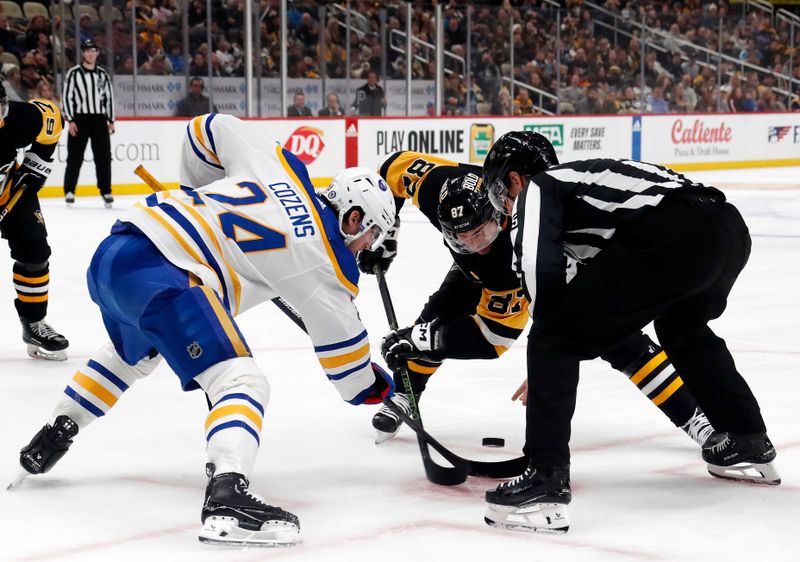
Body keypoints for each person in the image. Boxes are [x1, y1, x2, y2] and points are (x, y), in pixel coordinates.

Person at [15, 113, 397, 547]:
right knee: (241, 380)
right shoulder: (328, 263)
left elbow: (206, 129)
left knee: (132, 355)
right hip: (166, 274)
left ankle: (55, 431)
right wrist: (384, 389)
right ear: (352, 218)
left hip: (115, 254)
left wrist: (199, 197)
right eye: (371, 234)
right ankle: (228, 495)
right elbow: (349, 376)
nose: (368, 247)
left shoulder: (282, 166)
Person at [481, 131, 780, 534]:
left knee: (554, 333)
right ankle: (747, 439)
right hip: (726, 230)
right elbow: (602, 303)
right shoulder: (583, 191)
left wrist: (548, 353)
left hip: (676, 234)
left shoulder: (539, 187)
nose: (504, 207)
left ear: (515, 179)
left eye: (501, 192)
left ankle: (546, 480)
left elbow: (540, 276)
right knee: (683, 328)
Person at [362, 149, 715, 452]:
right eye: (459, 237)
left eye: (481, 232)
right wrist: (385, 237)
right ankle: (407, 392)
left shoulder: (522, 238)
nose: (474, 245)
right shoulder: (434, 187)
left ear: (498, 215)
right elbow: (390, 170)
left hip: (540, 271)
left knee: (621, 342)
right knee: (437, 315)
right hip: (479, 274)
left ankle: (696, 417)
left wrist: (544, 363)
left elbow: (494, 339)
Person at [0, 83, 69, 360]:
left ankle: (33, 324)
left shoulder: (17, 119)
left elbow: (52, 117)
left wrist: (35, 168)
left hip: (9, 188)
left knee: (35, 253)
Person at [62, 39, 116, 208]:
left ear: (97, 53)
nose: (91, 53)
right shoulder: (73, 73)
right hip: (79, 119)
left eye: (94, 50)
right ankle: (69, 190)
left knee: (104, 157)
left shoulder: (103, 75)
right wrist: (70, 120)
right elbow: (67, 97)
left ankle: (106, 190)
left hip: (99, 119)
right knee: (75, 157)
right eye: (87, 50)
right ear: (83, 53)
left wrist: (111, 120)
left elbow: (109, 98)